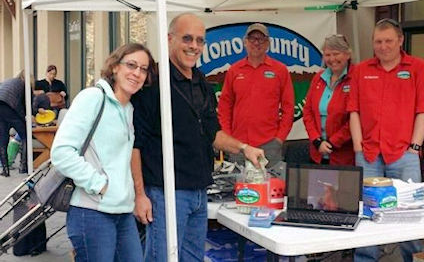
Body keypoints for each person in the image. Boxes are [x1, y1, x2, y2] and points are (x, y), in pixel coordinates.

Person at [131, 13, 264, 262]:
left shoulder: (202, 82)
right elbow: (135, 145)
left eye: (200, 41)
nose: (194, 46)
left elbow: (213, 134)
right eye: (187, 39)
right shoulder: (153, 83)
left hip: (200, 191)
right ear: (170, 39)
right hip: (165, 192)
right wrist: (140, 195)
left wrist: (244, 147)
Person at [51, 43, 156, 261]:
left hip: (123, 212)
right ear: (115, 67)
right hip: (92, 212)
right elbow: (61, 152)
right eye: (131, 65)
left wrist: (136, 195)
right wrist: (98, 184)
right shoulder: (93, 97)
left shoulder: (129, 108)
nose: (137, 73)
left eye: (143, 69)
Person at [347, 18, 424, 262]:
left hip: (404, 156)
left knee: (412, 217)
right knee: (366, 215)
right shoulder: (361, 71)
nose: (383, 46)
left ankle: (412, 259)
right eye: (378, 41)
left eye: (388, 41)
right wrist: (357, 147)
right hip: (369, 156)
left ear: (400, 40)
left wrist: (414, 147)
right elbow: (353, 110)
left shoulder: (418, 68)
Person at [217, 23, 294, 168]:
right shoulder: (234, 70)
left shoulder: (280, 70)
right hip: (239, 146)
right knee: (238, 188)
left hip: (269, 145)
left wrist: (279, 139)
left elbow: (288, 108)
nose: (256, 43)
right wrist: (228, 138)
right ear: (245, 42)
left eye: (261, 39)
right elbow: (224, 107)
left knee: (271, 188)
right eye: (252, 39)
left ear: (268, 44)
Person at [303, 34, 354, 166]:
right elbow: (307, 112)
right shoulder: (318, 78)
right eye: (327, 55)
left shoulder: (356, 79)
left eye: (336, 54)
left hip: (344, 157)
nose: (332, 59)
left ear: (347, 54)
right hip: (317, 155)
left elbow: (355, 118)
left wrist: (333, 142)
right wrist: (317, 141)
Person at [0, 71, 28, 176]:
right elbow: (26, 105)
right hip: (10, 108)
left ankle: (5, 170)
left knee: (2, 140)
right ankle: (23, 166)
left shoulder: (10, 81)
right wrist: (24, 119)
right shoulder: (25, 84)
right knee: (25, 136)